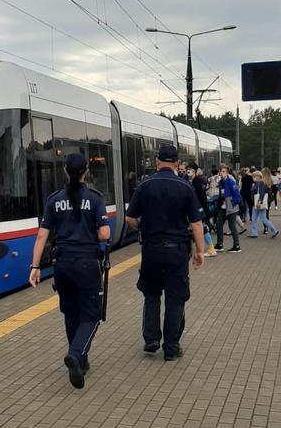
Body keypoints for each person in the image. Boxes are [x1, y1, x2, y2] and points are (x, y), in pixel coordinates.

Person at [29, 153, 110, 389]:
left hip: (62, 265)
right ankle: (75, 354)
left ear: (65, 171)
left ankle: (81, 362)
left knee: (71, 313)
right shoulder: (95, 198)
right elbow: (104, 234)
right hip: (87, 263)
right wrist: (88, 235)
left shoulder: (54, 200)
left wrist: (35, 267)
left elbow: (43, 235)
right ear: (86, 171)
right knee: (92, 315)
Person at [125, 145, 205, 361]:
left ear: (157, 162)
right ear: (177, 163)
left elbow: (130, 219)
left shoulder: (144, 186)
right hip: (177, 251)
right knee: (175, 299)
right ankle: (171, 348)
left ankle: (151, 340)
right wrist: (200, 251)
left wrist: (143, 227)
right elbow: (196, 225)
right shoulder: (186, 187)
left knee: (151, 294)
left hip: (151, 249)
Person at [214, 165, 242, 253]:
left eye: (224, 172)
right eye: (221, 171)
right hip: (223, 207)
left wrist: (231, 203)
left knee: (232, 226)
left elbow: (238, 196)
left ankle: (236, 246)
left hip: (231, 207)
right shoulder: (222, 182)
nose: (222, 173)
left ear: (227, 173)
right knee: (218, 224)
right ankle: (219, 244)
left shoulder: (230, 182)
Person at [249, 170, 279, 238]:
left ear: (259, 176)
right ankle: (274, 230)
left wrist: (259, 201)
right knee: (261, 218)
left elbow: (262, 193)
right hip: (257, 203)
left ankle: (273, 230)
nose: (254, 177)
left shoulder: (261, 183)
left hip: (258, 203)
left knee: (259, 218)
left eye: (255, 176)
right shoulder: (258, 183)